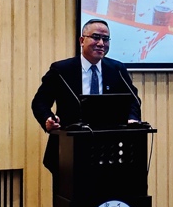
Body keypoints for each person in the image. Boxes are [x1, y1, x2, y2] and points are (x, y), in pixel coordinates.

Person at [31, 18, 141, 178]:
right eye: (96, 37)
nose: (101, 43)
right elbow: (40, 102)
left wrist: (132, 119)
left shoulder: (117, 69)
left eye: (105, 39)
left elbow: (133, 100)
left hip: (108, 152)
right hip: (68, 150)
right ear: (82, 41)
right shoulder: (61, 70)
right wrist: (48, 119)